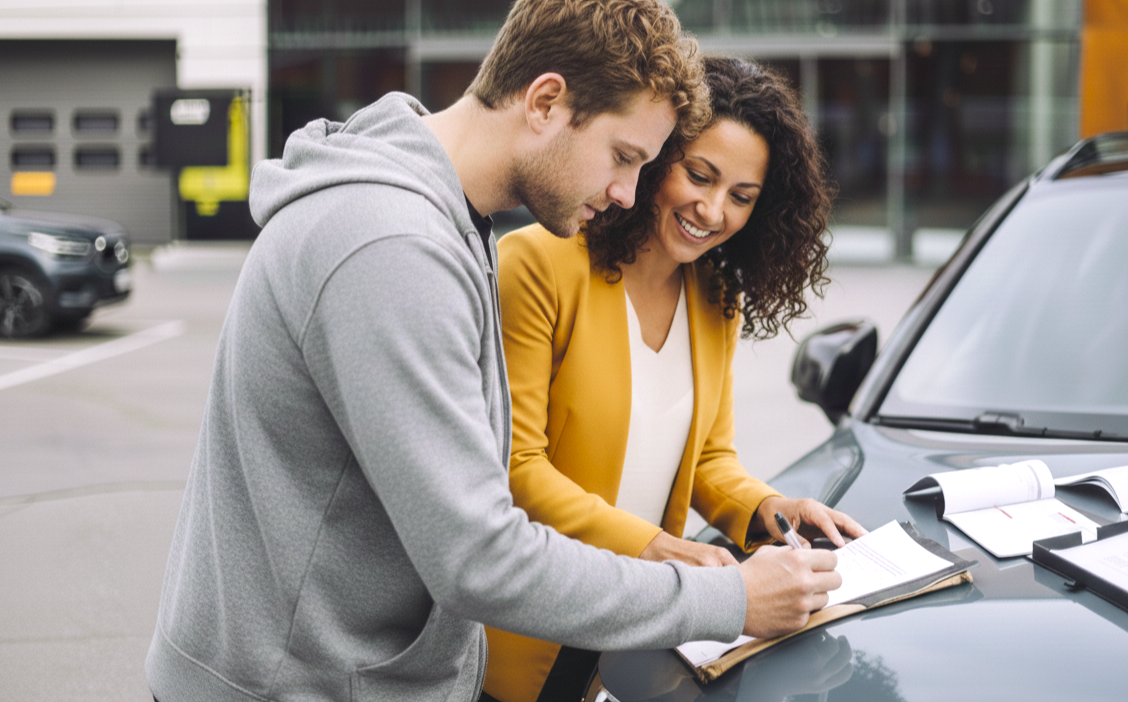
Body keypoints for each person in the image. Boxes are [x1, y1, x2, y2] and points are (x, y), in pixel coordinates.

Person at [145, 2, 845, 701]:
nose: (629, 191)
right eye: (626, 157)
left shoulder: (443, 219)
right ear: (545, 102)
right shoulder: (393, 248)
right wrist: (724, 599)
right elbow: (478, 558)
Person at [485, 57, 866, 702]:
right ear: (656, 158)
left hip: (643, 629)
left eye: (742, 197)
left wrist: (768, 510)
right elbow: (517, 465)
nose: (713, 210)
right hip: (537, 623)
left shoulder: (717, 296)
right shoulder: (539, 264)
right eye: (699, 175)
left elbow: (709, 459)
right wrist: (661, 549)